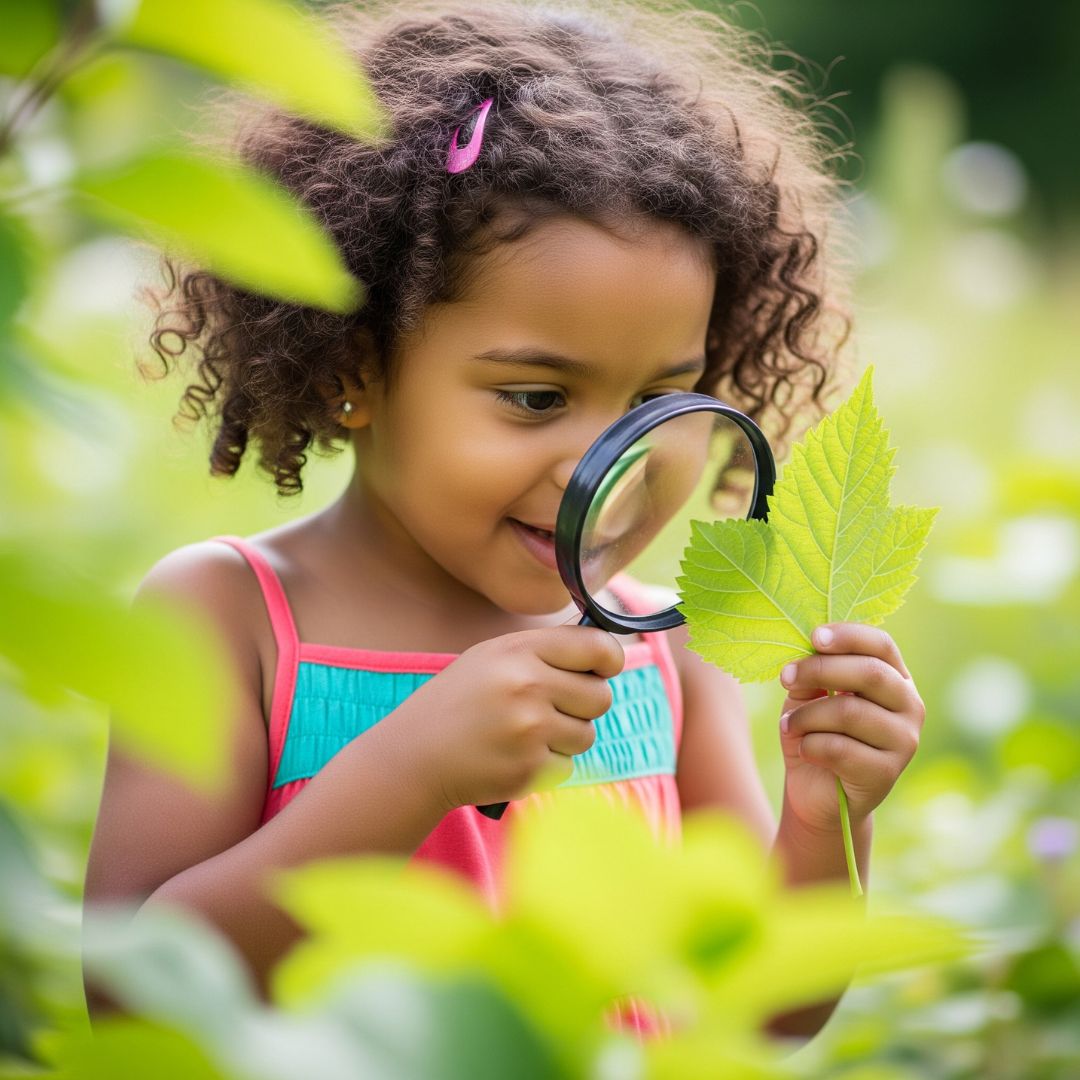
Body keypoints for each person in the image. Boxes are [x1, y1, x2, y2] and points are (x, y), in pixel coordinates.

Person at [83, 0, 925, 1038]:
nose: (607, 473)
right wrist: (409, 772)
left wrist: (825, 820)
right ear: (356, 366)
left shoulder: (664, 658)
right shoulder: (228, 620)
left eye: (663, 402)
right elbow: (131, 1005)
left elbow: (765, 1014)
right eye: (535, 398)